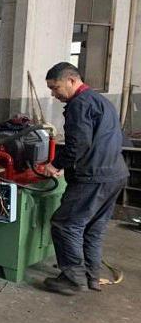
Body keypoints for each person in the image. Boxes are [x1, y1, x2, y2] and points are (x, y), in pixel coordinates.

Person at [42, 62, 128, 295]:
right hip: (115, 174)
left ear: (71, 80)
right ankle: (91, 277)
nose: (54, 94)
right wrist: (70, 164)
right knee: (92, 228)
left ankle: (72, 279)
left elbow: (78, 144)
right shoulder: (100, 101)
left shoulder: (78, 104)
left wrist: (55, 164)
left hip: (93, 177)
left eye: (55, 87)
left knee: (65, 224)